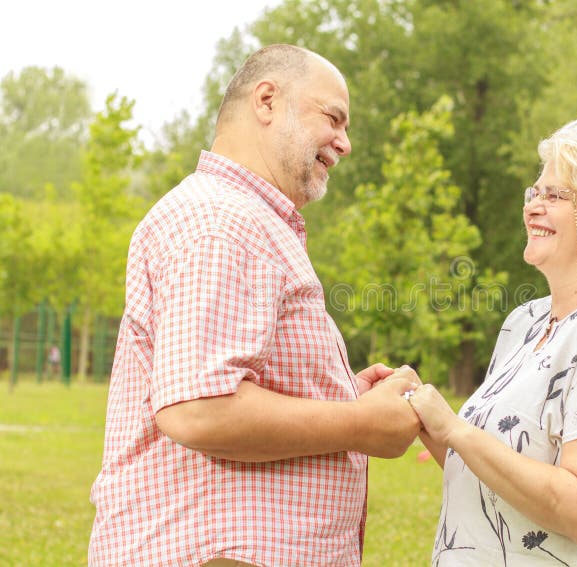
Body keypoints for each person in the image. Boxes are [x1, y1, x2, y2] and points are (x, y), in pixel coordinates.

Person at [88, 44, 421, 567]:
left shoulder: (244, 221)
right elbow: (200, 410)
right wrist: (362, 424)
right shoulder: (222, 221)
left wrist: (340, 394)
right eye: (332, 117)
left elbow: (222, 385)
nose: (345, 143)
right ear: (266, 100)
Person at [407, 118, 577, 566]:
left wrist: (455, 428)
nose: (533, 206)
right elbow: (498, 478)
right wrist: (424, 415)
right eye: (533, 192)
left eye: (554, 195)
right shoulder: (525, 322)